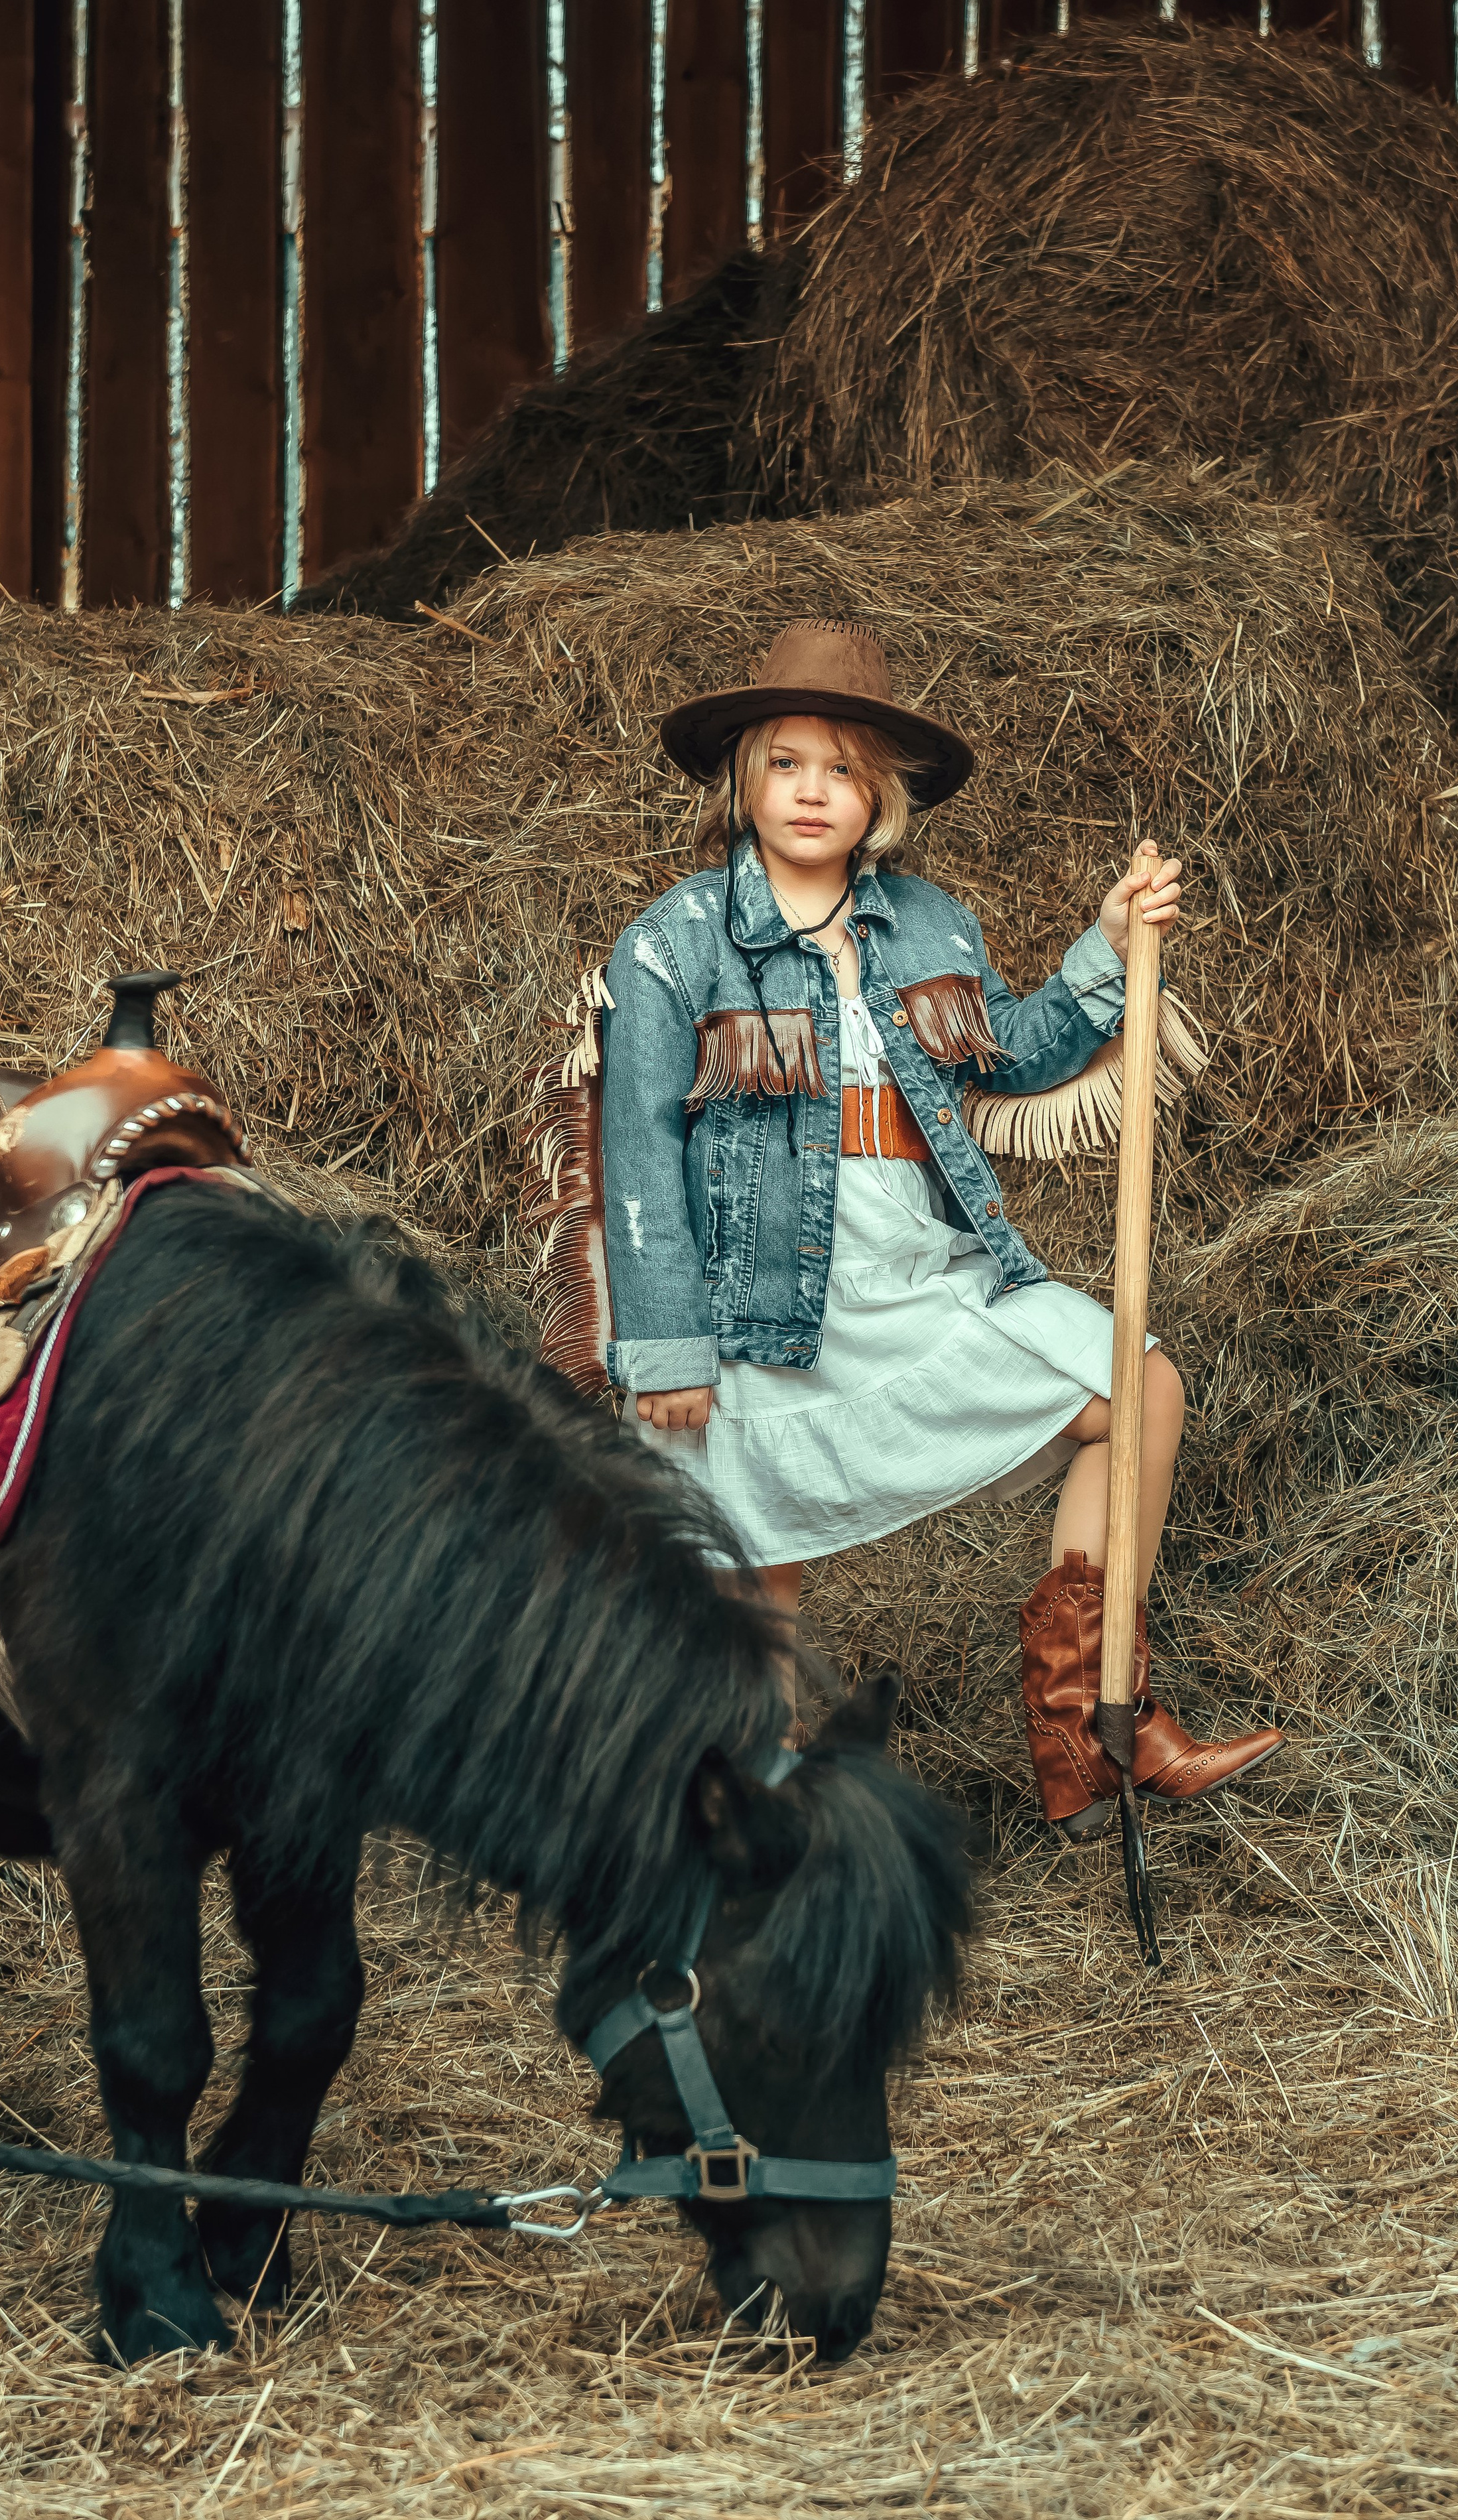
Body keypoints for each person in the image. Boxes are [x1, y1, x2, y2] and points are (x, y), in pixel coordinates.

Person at [542, 618, 1281, 1835]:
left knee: (1141, 1387)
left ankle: (1094, 1720)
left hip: (925, 1277)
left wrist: (1107, 949)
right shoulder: (675, 943)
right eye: (786, 762)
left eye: (841, 766)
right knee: (752, 1563)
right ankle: (757, 1810)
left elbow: (1013, 1057)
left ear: (879, 793)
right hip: (759, 1311)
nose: (813, 789)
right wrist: (666, 1347)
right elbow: (638, 1160)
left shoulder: (930, 925)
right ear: (743, 780)